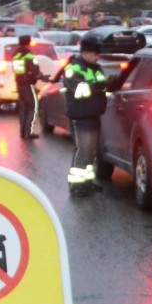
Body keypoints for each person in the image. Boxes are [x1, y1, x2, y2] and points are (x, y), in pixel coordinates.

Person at [62, 36, 111, 197]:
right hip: (80, 115)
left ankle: (87, 181)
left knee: (91, 151)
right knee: (82, 150)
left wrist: (110, 85)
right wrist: (97, 86)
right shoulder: (73, 68)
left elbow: (102, 89)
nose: (98, 57)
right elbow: (77, 89)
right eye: (95, 54)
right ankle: (76, 184)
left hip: (94, 114)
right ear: (86, 52)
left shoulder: (96, 68)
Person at [12, 34, 42, 139]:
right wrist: (39, 76)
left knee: (22, 108)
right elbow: (35, 70)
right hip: (27, 84)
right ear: (28, 42)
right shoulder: (28, 55)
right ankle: (28, 132)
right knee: (31, 107)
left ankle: (22, 132)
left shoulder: (16, 55)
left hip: (19, 83)